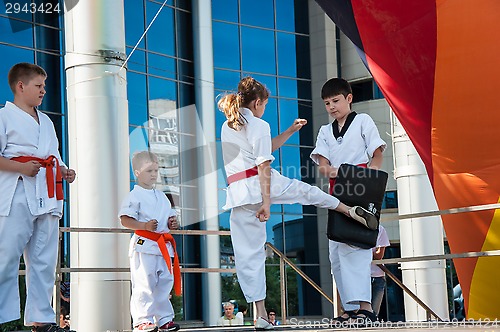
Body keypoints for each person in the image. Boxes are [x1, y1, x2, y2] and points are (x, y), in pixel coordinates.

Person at [219, 76, 376, 330]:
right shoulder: (259, 124)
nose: (264, 110)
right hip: (260, 184)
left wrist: (290, 132)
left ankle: (259, 314)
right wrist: (267, 204)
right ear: (258, 102)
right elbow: (263, 164)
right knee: (307, 192)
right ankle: (347, 209)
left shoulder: (229, 125)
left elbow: (261, 148)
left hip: (238, 193)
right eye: (265, 105)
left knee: (248, 256)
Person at [0, 63, 76, 332]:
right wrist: (20, 167)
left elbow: (52, 154)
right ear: (21, 86)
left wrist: (64, 170)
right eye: (39, 86)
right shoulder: (3, 117)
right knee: (5, 256)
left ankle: (41, 319)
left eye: (44, 85)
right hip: (17, 191)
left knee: (44, 260)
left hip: (47, 192)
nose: (44, 90)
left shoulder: (46, 121)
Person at [310, 77, 386, 324]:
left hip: (362, 190)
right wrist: (345, 172)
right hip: (337, 193)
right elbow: (323, 168)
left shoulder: (363, 121)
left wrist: (368, 181)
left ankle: (366, 308)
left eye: (336, 101)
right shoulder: (324, 131)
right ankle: (349, 310)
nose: (331, 106)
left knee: (358, 247)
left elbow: (376, 155)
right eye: (327, 103)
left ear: (349, 98)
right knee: (336, 252)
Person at [119, 151, 181, 332]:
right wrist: (143, 225)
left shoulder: (162, 197)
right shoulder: (134, 196)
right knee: (144, 283)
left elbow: (170, 218)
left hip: (163, 246)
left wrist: (172, 223)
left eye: (155, 170)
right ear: (137, 173)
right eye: (149, 171)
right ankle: (142, 320)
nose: (153, 174)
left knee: (164, 283)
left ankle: (164, 318)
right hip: (144, 244)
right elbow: (125, 219)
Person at [371, 224, 390, 317]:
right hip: (360, 276)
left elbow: (379, 256)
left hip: (377, 275)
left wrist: (365, 252)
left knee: (373, 314)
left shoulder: (379, 229)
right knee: (358, 312)